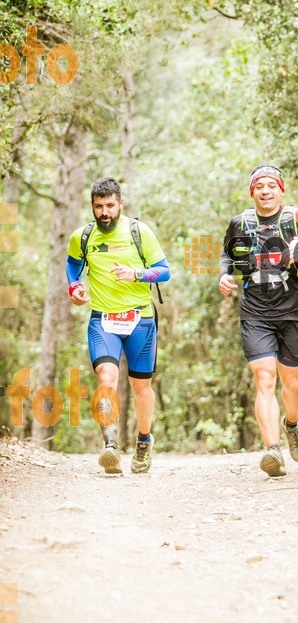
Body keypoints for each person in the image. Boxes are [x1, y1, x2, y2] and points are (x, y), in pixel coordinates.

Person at [218, 164, 298, 477]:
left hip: (293, 311)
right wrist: (224, 275)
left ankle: (292, 425)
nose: (265, 191)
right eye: (260, 186)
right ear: (252, 192)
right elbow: (227, 254)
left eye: (271, 185)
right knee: (264, 378)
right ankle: (272, 451)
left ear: (281, 189)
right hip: (255, 311)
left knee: (291, 384)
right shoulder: (240, 222)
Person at [66, 177, 171, 475]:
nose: (105, 212)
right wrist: (74, 286)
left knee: (141, 387)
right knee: (106, 377)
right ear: (92, 206)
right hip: (103, 320)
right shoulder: (83, 236)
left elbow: (164, 272)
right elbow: (73, 264)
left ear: (121, 203)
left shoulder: (139, 232)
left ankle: (143, 442)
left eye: (110, 206)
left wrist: (136, 274)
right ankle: (110, 446)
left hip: (141, 320)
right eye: (99, 207)